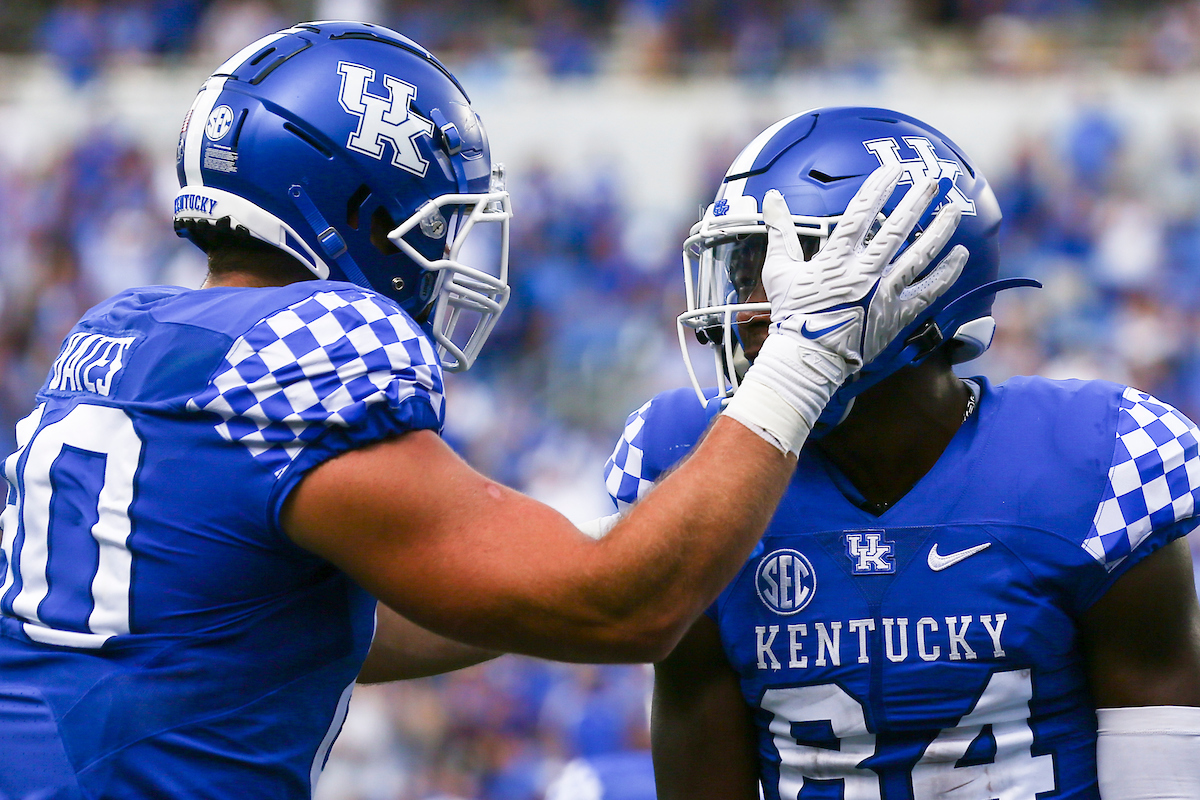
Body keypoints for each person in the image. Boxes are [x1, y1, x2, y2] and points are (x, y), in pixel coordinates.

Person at [0, 27, 966, 798]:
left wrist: (632, 535)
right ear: (367, 216)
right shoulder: (305, 345)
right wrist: (796, 367)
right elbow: (617, 609)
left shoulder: (121, 334)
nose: (454, 257)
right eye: (438, 221)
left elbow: (296, 620)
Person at [603, 107, 1200, 799]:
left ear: (922, 277)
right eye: (744, 272)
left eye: (789, 265)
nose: (746, 307)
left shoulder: (1098, 465)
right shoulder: (682, 459)